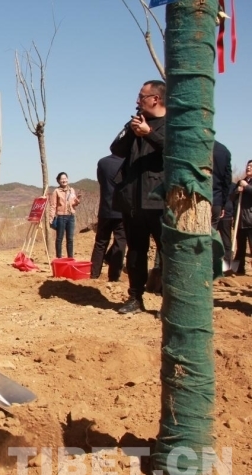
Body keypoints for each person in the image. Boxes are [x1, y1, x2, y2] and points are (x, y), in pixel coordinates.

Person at [111, 80, 166, 314]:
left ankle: (171, 302)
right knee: (135, 252)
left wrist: (150, 134)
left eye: (141, 97)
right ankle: (135, 298)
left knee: (168, 253)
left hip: (160, 202)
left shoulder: (173, 125)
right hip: (133, 202)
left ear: (155, 99)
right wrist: (132, 132)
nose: (137, 101)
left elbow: (176, 151)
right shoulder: (134, 123)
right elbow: (115, 149)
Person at [90, 155, 127, 281]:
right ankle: (114, 276)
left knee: (100, 242)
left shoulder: (102, 162)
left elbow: (101, 181)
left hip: (105, 208)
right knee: (120, 242)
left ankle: (94, 274)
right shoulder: (127, 162)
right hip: (121, 210)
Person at [48, 172, 80, 259]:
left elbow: (73, 204)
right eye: (62, 179)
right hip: (61, 217)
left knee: (70, 239)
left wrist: (77, 201)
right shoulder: (56, 191)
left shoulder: (71, 190)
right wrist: (51, 218)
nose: (64, 180)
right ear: (58, 181)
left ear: (67, 179)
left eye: (65, 178)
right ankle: (59, 258)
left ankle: (70, 258)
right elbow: (53, 206)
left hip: (71, 216)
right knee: (59, 238)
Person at [230, 160, 252, 275]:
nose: (248, 168)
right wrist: (237, 191)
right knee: (240, 247)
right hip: (240, 220)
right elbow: (232, 198)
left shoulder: (246, 184)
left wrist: (246, 187)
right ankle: (239, 269)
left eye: (251, 166)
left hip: (251, 220)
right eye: (248, 166)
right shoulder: (240, 182)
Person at [212, 141, 232, 230]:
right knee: (211, 231)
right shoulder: (224, 150)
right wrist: (223, 204)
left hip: (197, 196)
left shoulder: (196, 146)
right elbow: (227, 180)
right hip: (216, 200)